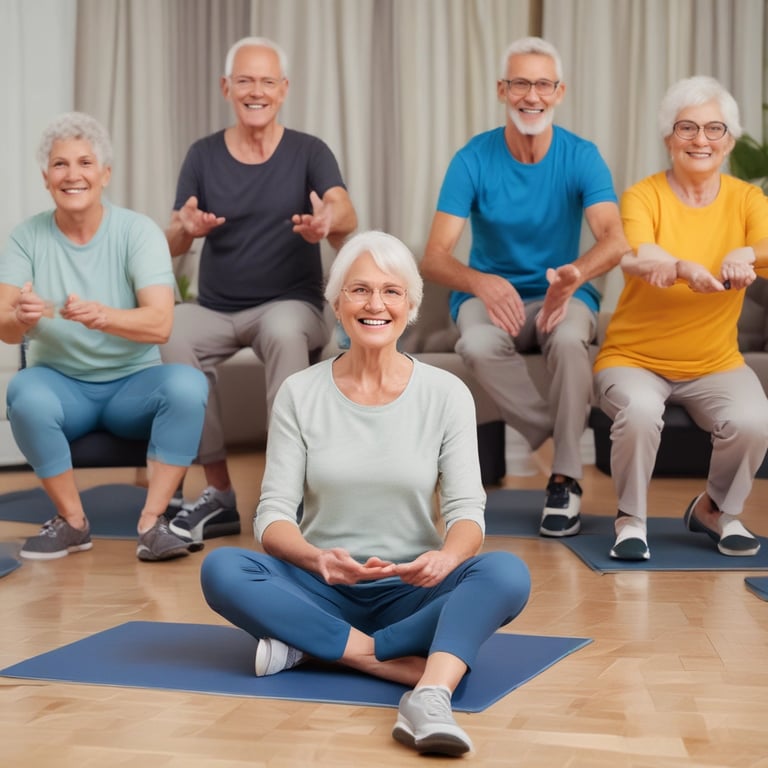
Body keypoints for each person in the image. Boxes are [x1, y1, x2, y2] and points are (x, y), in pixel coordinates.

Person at [200, 231, 531, 757]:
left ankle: (413, 691)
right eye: (359, 290)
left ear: (412, 306)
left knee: (507, 573)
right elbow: (273, 516)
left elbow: (467, 512)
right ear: (336, 303)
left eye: (391, 291)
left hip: (412, 591)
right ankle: (392, 665)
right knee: (220, 570)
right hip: (320, 586)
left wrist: (445, 560)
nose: (375, 304)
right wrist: (316, 558)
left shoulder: (446, 394)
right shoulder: (300, 392)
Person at [420, 37, 629, 538]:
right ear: (502, 90)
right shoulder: (473, 158)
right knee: (475, 341)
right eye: (520, 83)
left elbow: (615, 239)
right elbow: (434, 256)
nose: (530, 95)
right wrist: (481, 282)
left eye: (542, 84)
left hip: (565, 292)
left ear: (559, 92)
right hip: (489, 298)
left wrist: (573, 276)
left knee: (571, 342)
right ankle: (559, 449)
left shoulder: (581, 156)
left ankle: (563, 481)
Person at [161, 36, 357, 544]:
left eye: (267, 81)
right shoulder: (202, 154)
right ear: (227, 87)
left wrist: (328, 219)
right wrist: (187, 228)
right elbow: (172, 238)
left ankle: (283, 496)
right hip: (218, 309)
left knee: (286, 331)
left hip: (290, 304)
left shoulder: (309, 151)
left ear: (283, 89)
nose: (256, 91)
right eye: (245, 81)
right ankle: (219, 493)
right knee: (173, 332)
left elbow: (343, 210)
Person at [0, 112, 209, 562]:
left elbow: (160, 324)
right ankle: (73, 523)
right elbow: (4, 326)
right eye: (60, 164)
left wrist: (102, 317)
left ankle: (152, 524)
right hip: (60, 384)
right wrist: (20, 315)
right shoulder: (26, 237)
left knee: (189, 386)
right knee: (23, 392)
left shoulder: (137, 232)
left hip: (132, 386)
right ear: (45, 177)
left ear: (105, 173)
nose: (72, 174)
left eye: (85, 163)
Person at [594, 76, 768, 561]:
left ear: (730, 140)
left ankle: (714, 510)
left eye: (714, 129)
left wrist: (743, 250)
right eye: (687, 128)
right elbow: (634, 254)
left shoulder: (747, 200)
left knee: (755, 420)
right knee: (642, 411)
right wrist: (681, 268)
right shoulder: (644, 195)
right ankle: (631, 521)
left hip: (715, 362)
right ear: (669, 138)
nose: (700, 140)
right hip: (633, 358)